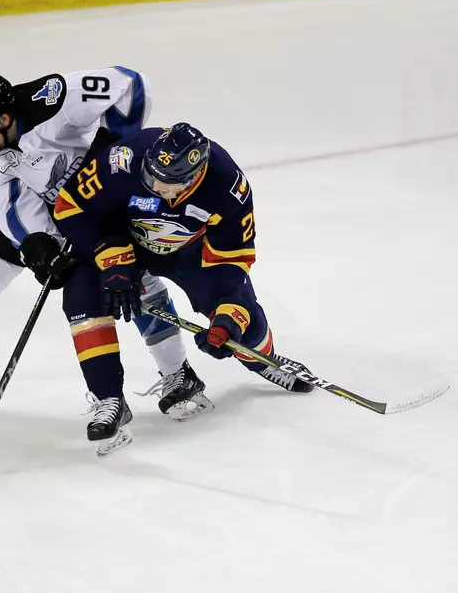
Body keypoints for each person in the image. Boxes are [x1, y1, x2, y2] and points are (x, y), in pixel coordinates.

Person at [0, 68, 203, 403]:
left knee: (134, 281)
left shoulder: (51, 99)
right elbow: (12, 208)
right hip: (48, 207)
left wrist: (111, 141)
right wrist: (39, 245)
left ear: (2, 119)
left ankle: (179, 373)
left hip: (104, 200)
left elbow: (130, 84)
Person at [49, 122, 315, 456]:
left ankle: (265, 361)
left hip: (191, 253)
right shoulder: (124, 160)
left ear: (195, 176)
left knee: (241, 320)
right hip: (124, 247)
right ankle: (109, 398)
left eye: (167, 183)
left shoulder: (228, 187)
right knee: (80, 295)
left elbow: (231, 261)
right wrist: (113, 258)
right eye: (152, 176)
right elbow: (70, 208)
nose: (156, 186)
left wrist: (226, 317)